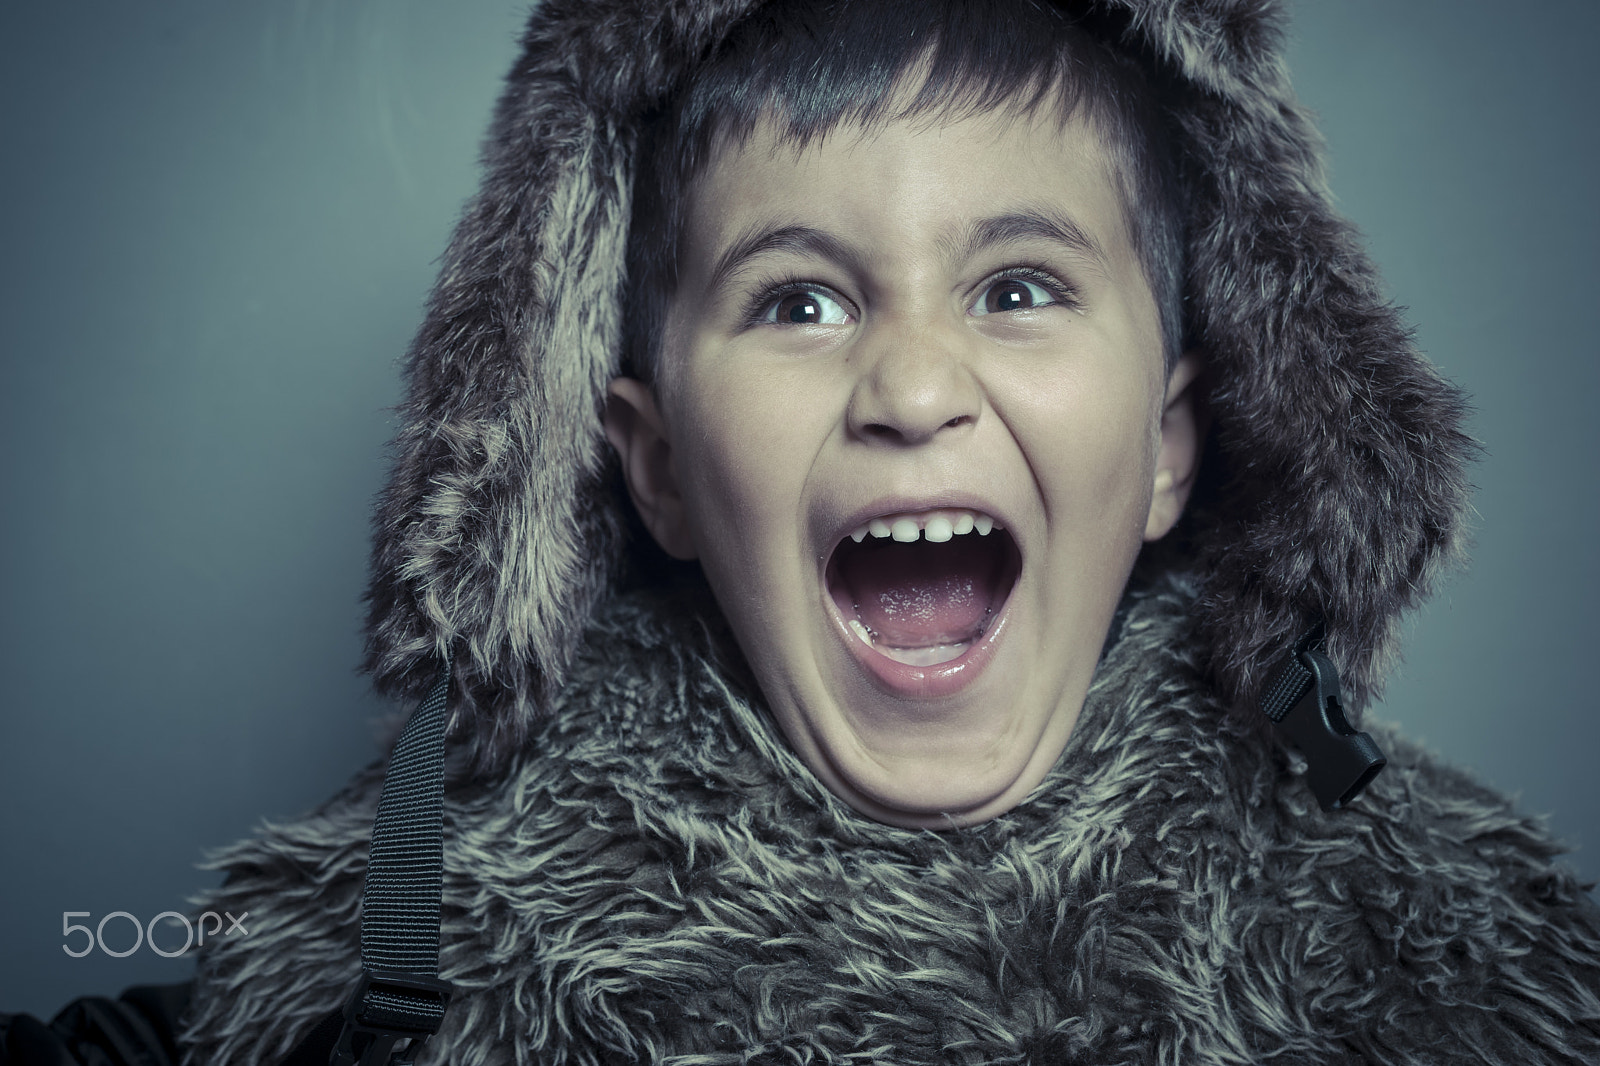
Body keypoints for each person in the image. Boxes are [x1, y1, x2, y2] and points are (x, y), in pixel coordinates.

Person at [7, 0, 1598, 1063]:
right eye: (800, 299)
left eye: (1020, 287)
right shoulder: (395, 974)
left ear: (1175, 447)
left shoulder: (1458, 963)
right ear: (658, 472)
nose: (911, 386)